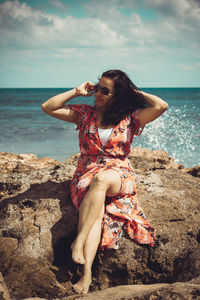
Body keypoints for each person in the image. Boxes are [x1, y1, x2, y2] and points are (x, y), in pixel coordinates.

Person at [42, 69, 168, 294]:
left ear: (117, 95)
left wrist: (134, 92)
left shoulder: (131, 117)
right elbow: (48, 107)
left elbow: (161, 106)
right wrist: (76, 91)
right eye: (97, 87)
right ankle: (86, 275)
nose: (97, 93)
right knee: (95, 212)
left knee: (100, 180)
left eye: (104, 90)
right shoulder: (84, 114)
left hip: (118, 174)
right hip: (85, 174)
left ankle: (77, 242)